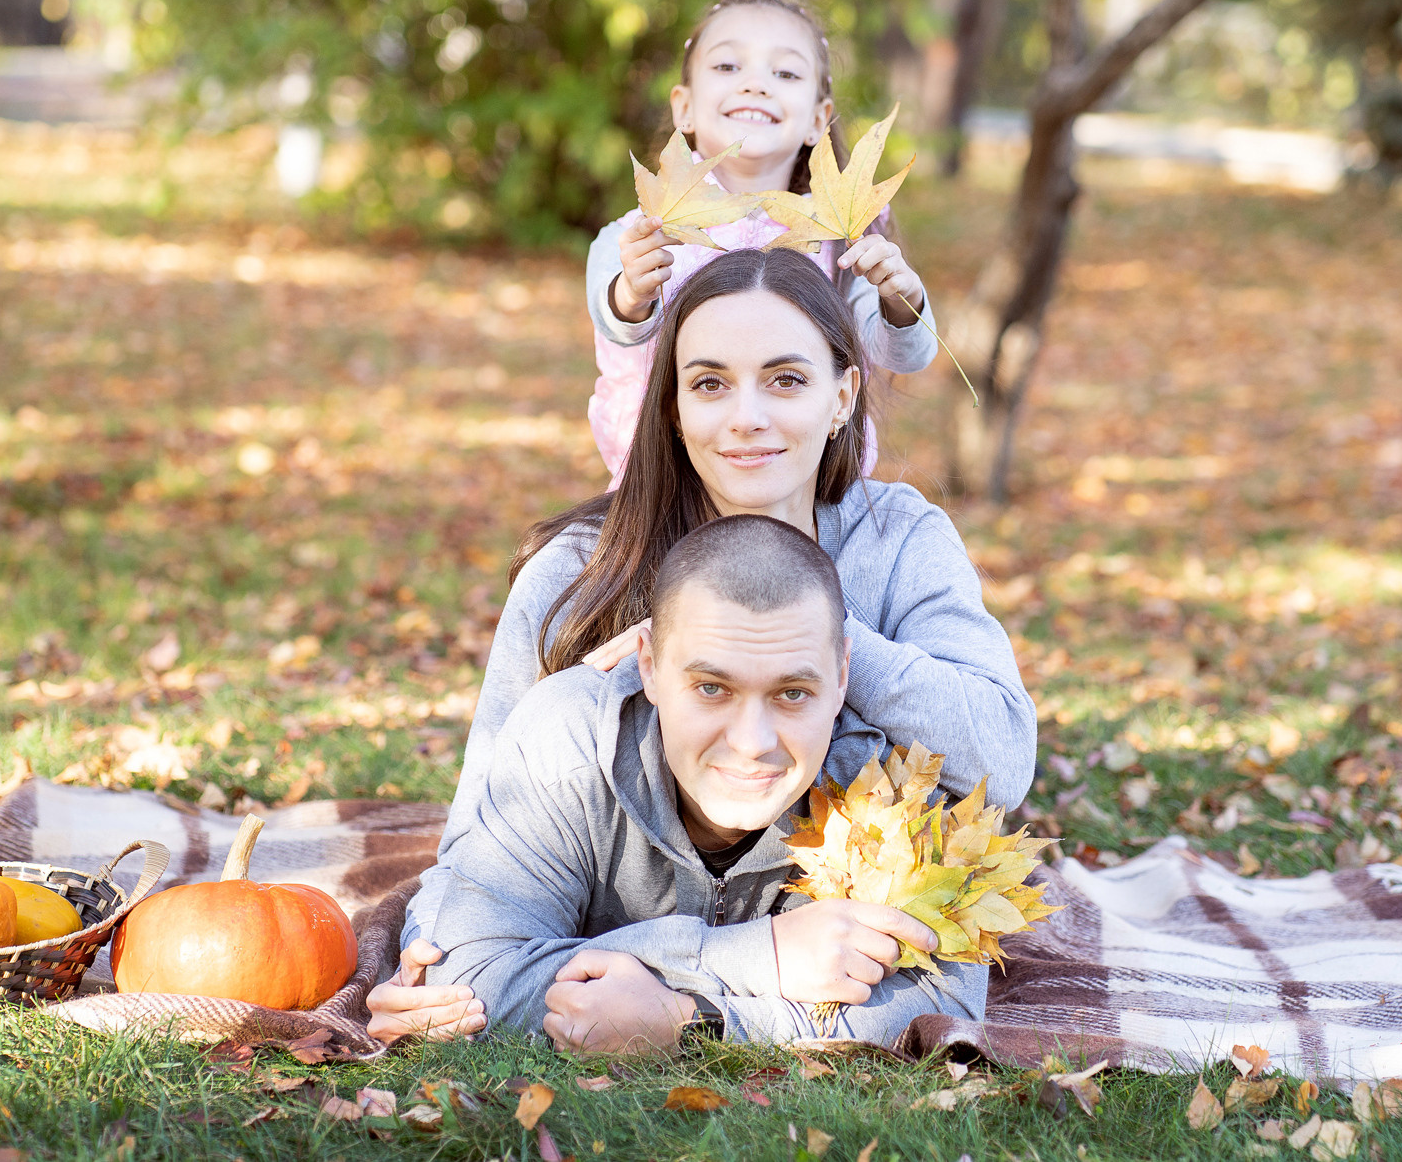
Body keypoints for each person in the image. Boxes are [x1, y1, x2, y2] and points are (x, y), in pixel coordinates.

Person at [366, 247, 1034, 1044]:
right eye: (710, 383)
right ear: (674, 406)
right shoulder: (581, 571)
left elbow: (999, 760)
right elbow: (482, 835)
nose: (747, 415)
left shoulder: (900, 538)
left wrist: (811, 631)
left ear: (843, 394)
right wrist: (443, 955)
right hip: (608, 887)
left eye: (786, 379)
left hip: (831, 885)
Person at [412, 514, 986, 1051]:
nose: (751, 741)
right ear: (649, 665)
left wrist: (688, 1020)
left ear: (841, 677)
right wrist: (760, 958)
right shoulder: (567, 738)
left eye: (792, 693)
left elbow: (940, 1001)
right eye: (713, 688)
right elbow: (466, 977)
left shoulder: (887, 781)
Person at [586, 0, 938, 484]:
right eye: (728, 67)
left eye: (786, 74)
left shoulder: (842, 241)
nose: (755, 85)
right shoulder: (639, 235)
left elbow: (903, 354)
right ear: (683, 108)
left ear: (819, 118)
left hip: (798, 488)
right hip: (669, 484)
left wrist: (902, 301)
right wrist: (633, 293)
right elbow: (617, 329)